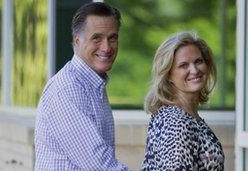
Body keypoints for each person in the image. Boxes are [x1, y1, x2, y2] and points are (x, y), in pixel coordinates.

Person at [34, 2, 130, 170]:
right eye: (96, 38)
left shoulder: (93, 85)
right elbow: (100, 165)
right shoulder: (67, 89)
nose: (106, 47)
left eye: (112, 38)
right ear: (76, 40)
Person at [141, 31, 225, 170]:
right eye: (183, 65)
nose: (194, 70)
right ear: (168, 74)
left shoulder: (190, 117)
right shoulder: (175, 121)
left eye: (198, 61)